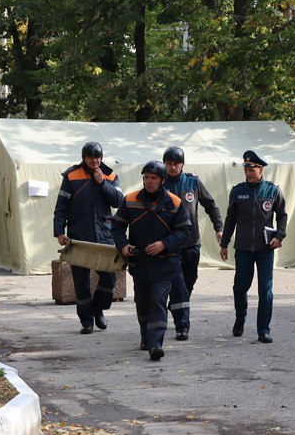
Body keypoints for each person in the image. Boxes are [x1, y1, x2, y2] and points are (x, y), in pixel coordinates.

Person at [112, 160, 193, 362]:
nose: (149, 182)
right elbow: (117, 227)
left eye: (153, 178)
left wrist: (165, 244)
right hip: (139, 263)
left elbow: (185, 230)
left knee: (158, 300)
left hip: (165, 264)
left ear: (162, 180)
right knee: (142, 302)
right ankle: (145, 336)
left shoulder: (174, 202)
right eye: (146, 178)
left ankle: (156, 344)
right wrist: (123, 246)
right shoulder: (130, 200)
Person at [54, 141, 125, 335]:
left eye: (98, 157)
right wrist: (59, 231)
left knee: (109, 277)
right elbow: (61, 206)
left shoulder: (110, 176)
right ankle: (86, 321)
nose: (95, 161)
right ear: (84, 158)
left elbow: (118, 201)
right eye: (91, 157)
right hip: (79, 235)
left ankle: (98, 309)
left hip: (104, 234)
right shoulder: (71, 176)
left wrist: (102, 182)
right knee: (81, 281)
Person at [219, 150, 288, 343]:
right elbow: (230, 219)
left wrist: (280, 236)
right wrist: (224, 243)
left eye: (252, 169)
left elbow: (282, 215)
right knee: (240, 287)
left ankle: (263, 330)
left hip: (265, 248)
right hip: (243, 249)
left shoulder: (273, 190)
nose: (248, 173)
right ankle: (240, 319)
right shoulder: (238, 190)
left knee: (265, 289)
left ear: (261, 169)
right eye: (246, 169)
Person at [161, 146, 224, 341]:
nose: (172, 167)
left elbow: (210, 204)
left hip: (191, 243)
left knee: (190, 279)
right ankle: (183, 326)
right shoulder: (159, 182)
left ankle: (176, 305)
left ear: (182, 164)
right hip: (170, 245)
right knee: (178, 284)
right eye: (169, 164)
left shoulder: (193, 182)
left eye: (176, 164)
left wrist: (218, 227)